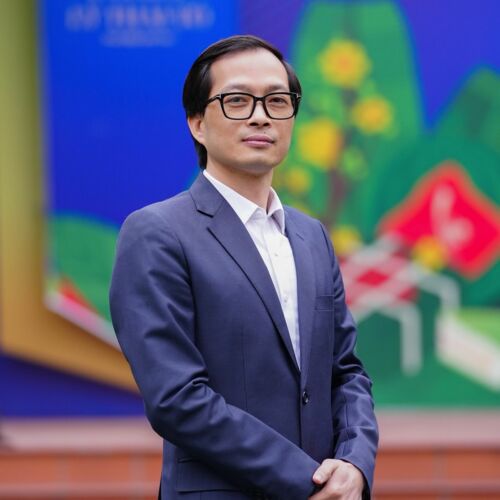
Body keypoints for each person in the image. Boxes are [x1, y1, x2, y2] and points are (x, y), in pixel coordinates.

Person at [109, 35, 378, 500]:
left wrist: (355, 463)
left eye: (277, 101)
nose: (260, 116)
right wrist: (309, 482)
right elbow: (177, 399)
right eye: (237, 101)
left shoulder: (312, 236)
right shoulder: (157, 233)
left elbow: (345, 371)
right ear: (197, 123)